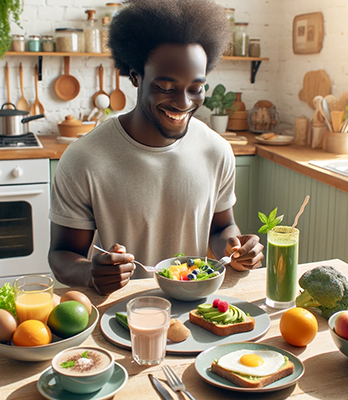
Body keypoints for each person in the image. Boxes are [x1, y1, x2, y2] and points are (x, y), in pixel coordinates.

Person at [48, 0, 264, 295]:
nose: (184, 103)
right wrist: (89, 272)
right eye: (166, 87)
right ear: (136, 76)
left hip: (199, 311)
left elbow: (220, 228)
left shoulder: (217, 150)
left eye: (195, 88)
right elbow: (61, 254)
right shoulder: (84, 158)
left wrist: (234, 248)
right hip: (124, 315)